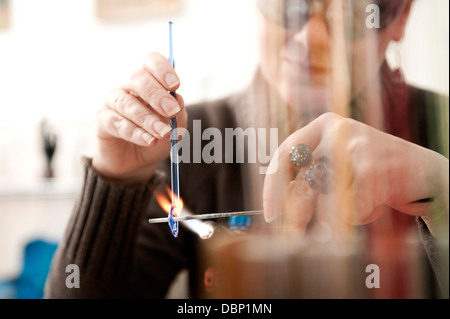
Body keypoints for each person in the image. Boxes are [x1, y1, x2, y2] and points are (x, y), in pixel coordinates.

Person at [45, 0, 448, 298]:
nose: (313, 36)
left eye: (353, 12)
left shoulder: (441, 133)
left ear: (402, 16)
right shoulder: (189, 139)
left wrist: (441, 195)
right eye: (292, 6)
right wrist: (116, 178)